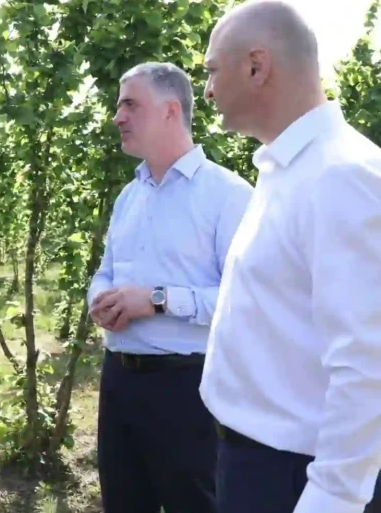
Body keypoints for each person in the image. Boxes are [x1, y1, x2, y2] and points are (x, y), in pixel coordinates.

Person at [199, 0, 381, 513]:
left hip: (295, 479)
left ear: (256, 66)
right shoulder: (290, 170)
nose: (207, 89)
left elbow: (366, 366)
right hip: (257, 463)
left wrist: (332, 499)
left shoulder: (343, 177)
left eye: (212, 71)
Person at [87, 62, 253, 513]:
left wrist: (157, 300)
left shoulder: (228, 195)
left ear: (170, 111)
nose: (117, 117)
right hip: (119, 380)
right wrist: (100, 301)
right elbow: (106, 271)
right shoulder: (130, 195)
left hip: (187, 387)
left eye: (129, 104)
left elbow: (247, 301)